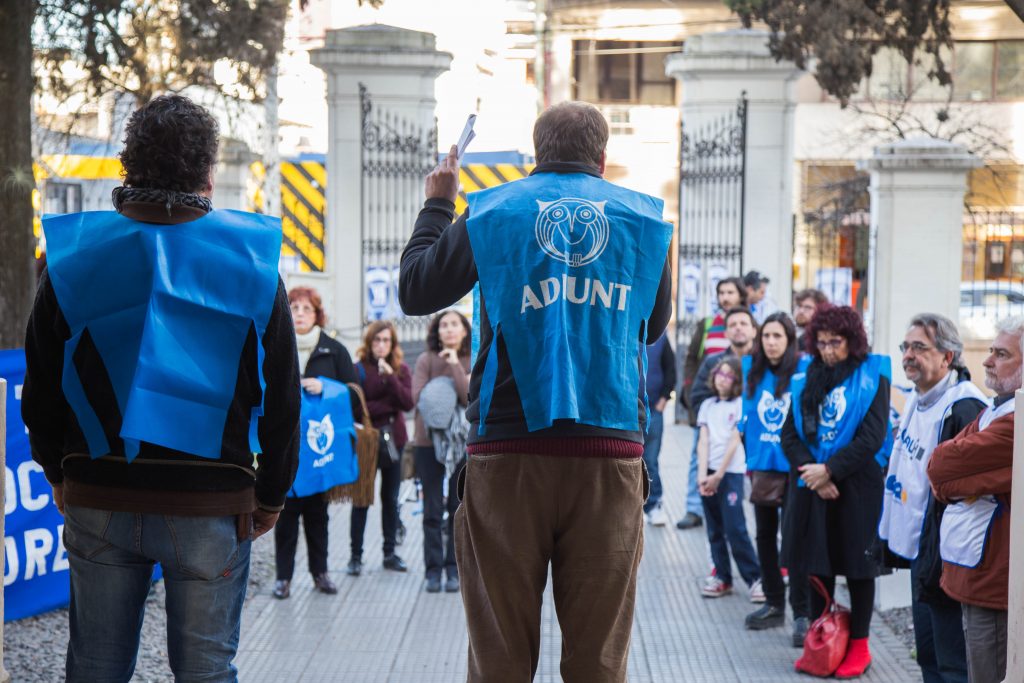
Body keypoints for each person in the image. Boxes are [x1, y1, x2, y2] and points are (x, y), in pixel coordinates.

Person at [21, 94, 300, 680]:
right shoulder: (252, 262)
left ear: (128, 162)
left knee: (95, 667)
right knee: (205, 670)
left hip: (99, 490)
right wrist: (271, 493)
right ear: (206, 169)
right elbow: (283, 396)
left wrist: (56, 471)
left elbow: (40, 385)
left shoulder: (71, 258)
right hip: (212, 500)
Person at [400, 101, 673, 682]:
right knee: (599, 660)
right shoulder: (648, 221)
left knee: (499, 656)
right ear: (603, 158)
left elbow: (416, 288)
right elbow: (652, 325)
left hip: (506, 450)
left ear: (535, 155)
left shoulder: (492, 211)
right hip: (611, 449)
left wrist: (439, 202)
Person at [782, 305, 891, 679]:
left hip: (858, 487)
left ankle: (859, 646)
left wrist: (830, 471)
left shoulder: (873, 375)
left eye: (836, 343)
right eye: (823, 343)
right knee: (817, 566)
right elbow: (789, 434)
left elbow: (872, 436)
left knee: (859, 570)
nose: (828, 351)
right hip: (813, 485)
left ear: (852, 341)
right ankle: (820, 638)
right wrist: (815, 475)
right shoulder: (807, 375)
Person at [878, 314, 985, 683]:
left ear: (948, 356)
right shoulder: (917, 397)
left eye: (919, 347)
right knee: (928, 653)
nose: (908, 355)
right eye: (905, 347)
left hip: (947, 556)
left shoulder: (964, 408)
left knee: (951, 661)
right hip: (922, 551)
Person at [928, 316, 1023, 683]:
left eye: (1001, 354)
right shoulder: (997, 409)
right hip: (976, 571)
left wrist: (951, 481)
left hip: (995, 582)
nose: (987, 361)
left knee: (989, 672)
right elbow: (943, 465)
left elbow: (940, 468)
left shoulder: (1016, 423)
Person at [272, 286, 358, 600]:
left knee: (318, 516)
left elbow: (354, 393)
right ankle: (283, 577)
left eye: (307, 309)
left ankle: (320, 573)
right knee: (285, 517)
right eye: (294, 308)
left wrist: (325, 386)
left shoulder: (333, 350)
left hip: (321, 451)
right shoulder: (278, 344)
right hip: (287, 448)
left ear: (317, 314)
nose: (299, 314)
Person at [739, 312, 812, 646]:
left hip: (795, 466)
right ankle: (773, 603)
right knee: (765, 537)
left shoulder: (804, 368)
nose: (770, 342)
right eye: (766, 335)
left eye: (777, 336)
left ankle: (802, 613)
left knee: (795, 540)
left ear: (789, 339)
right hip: (763, 466)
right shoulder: (750, 369)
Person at [678, 277, 746, 530]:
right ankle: (694, 507)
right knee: (700, 457)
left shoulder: (747, 326)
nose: (725, 297)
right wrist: (690, 394)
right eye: (721, 292)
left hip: (738, 409)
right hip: (710, 403)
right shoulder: (707, 324)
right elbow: (692, 359)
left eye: (730, 292)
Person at [348, 320, 414, 576]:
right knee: (362, 497)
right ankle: (355, 555)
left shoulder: (401, 370)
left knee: (390, 498)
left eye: (386, 341)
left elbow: (407, 403)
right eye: (377, 340)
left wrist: (391, 380)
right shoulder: (358, 370)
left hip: (394, 441)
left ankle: (389, 553)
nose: (381, 345)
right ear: (369, 343)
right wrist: (387, 406)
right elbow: (356, 407)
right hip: (367, 442)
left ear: (393, 344)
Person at [413, 310, 472, 593]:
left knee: (457, 508)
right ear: (437, 332)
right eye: (443, 325)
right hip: (427, 445)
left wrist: (456, 368)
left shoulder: (470, 360)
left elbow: (468, 397)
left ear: (464, 331)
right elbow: (419, 398)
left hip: (460, 445)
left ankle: (454, 568)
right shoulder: (426, 360)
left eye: (454, 325)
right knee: (432, 509)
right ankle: (433, 570)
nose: (448, 330)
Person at [696, 356, 762, 601]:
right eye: (719, 374)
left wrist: (719, 475)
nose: (722, 380)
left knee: (735, 528)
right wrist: (703, 475)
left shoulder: (740, 405)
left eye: (729, 376)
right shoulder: (707, 406)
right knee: (714, 529)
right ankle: (722, 577)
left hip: (730, 473)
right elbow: (703, 441)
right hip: (709, 473)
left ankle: (755, 578)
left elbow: (735, 441)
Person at [643, 333, 676, 527]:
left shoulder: (660, 337)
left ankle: (654, 505)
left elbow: (670, 371)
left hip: (654, 410)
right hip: (624, 412)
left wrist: (663, 401)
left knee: (650, 461)